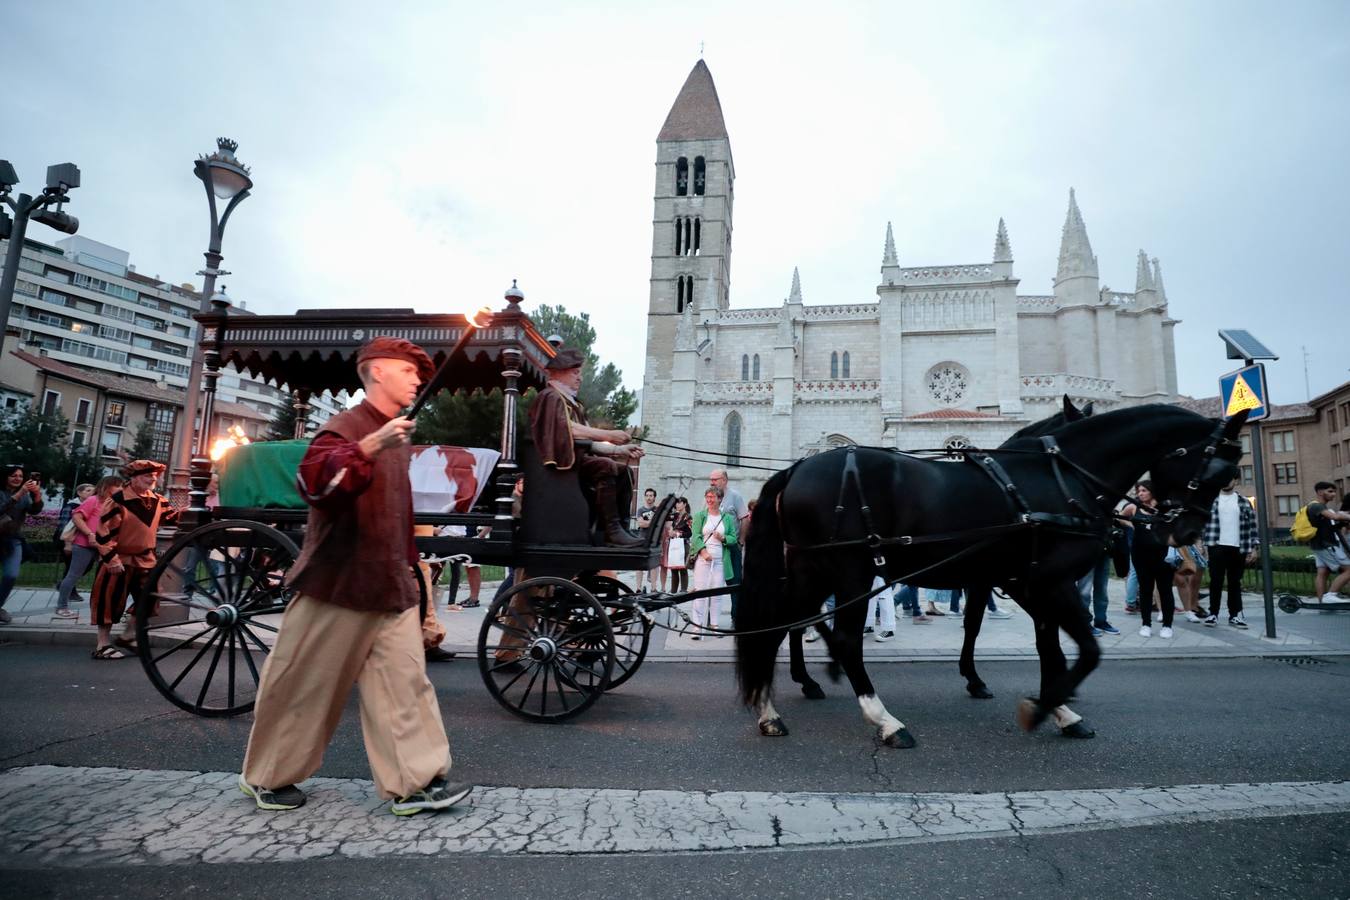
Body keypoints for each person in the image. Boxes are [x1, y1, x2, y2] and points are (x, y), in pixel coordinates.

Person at [239, 337, 471, 816]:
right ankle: (267, 777)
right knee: (302, 687)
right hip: (337, 583)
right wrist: (367, 446)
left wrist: (412, 575)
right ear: (378, 371)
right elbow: (315, 483)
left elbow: (396, 515)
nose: (417, 380)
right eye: (409, 371)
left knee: (405, 688)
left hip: (389, 585)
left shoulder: (395, 434)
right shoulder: (346, 427)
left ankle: (416, 784)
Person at [531, 347, 644, 547]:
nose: (580, 378)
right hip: (558, 469)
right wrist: (610, 435)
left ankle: (619, 529)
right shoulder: (551, 397)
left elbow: (588, 442)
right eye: (575, 373)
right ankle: (611, 531)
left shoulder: (572, 403)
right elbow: (569, 430)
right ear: (559, 372)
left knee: (624, 470)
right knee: (606, 467)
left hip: (575, 465)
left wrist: (620, 450)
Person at [88, 461, 178, 658]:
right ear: (134, 478)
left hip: (146, 559)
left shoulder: (158, 500)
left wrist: (197, 511)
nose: (153, 479)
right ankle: (102, 646)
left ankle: (128, 635)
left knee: (150, 597)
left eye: (154, 476)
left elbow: (174, 518)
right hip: (119, 558)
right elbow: (104, 531)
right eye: (148, 475)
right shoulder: (118, 500)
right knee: (109, 600)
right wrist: (111, 559)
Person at [54, 476, 121, 620]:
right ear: (107, 486)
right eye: (117, 485)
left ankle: (107, 608)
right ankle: (61, 606)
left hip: (104, 545)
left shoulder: (114, 503)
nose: (120, 488)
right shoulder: (94, 500)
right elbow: (77, 517)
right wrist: (89, 533)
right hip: (85, 544)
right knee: (73, 575)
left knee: (112, 574)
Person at [1199, 476, 1257, 628]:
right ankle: (1213, 614)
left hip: (1239, 546)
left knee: (1234, 582)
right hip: (1216, 545)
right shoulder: (1211, 501)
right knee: (1215, 581)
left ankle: (1235, 615)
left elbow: (1252, 525)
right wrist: (1202, 544)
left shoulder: (1244, 502)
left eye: (1230, 478)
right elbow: (1202, 524)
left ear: (1236, 481)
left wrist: (1253, 548)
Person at [1121, 480, 1176, 638]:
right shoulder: (1133, 507)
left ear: (1152, 491)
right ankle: (1146, 624)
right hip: (1140, 555)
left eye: (1144, 490)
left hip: (1163, 555)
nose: (1140, 494)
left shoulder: (1163, 509)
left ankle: (1167, 625)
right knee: (1145, 590)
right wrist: (1130, 525)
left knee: (1165, 590)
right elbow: (1119, 517)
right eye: (1139, 491)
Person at [689, 485, 737, 639]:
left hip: (720, 560)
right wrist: (703, 551)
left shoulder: (727, 518)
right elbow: (695, 536)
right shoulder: (700, 516)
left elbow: (733, 538)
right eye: (707, 497)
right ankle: (697, 626)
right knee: (700, 591)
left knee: (717, 593)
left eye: (712, 497)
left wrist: (723, 538)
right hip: (704, 559)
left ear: (719, 499)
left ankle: (714, 624)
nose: (709, 500)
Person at [0, 465, 44, 625]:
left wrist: (37, 494)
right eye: (13, 475)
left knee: (11, 575)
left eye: (20, 476)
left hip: (13, 539)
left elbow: (34, 511)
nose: (17, 478)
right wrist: (19, 494)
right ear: (5, 477)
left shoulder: (25, 495)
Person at [1306, 481, 1350, 603]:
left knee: (1323, 572)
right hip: (1327, 545)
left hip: (1319, 545)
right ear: (1320, 492)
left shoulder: (1319, 507)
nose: (1334, 494)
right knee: (1349, 570)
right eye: (1330, 491)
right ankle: (1331, 595)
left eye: (1334, 491)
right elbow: (1334, 517)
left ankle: (1322, 601)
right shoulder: (1317, 506)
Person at [663, 496, 693, 594]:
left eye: (679, 503)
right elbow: (671, 527)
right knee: (674, 568)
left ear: (684, 504)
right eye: (676, 503)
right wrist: (671, 532)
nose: (677, 505)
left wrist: (677, 533)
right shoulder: (675, 516)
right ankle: (673, 590)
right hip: (674, 544)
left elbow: (690, 533)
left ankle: (683, 589)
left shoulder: (688, 517)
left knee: (682, 568)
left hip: (683, 545)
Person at [635, 488, 660, 589]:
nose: (649, 497)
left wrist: (648, 523)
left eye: (651, 495)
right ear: (645, 497)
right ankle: (638, 588)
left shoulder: (657, 510)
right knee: (639, 563)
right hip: (642, 538)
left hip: (654, 538)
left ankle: (653, 588)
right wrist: (652, 522)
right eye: (647, 495)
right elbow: (641, 523)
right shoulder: (640, 510)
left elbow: (659, 523)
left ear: (654, 497)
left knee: (654, 563)